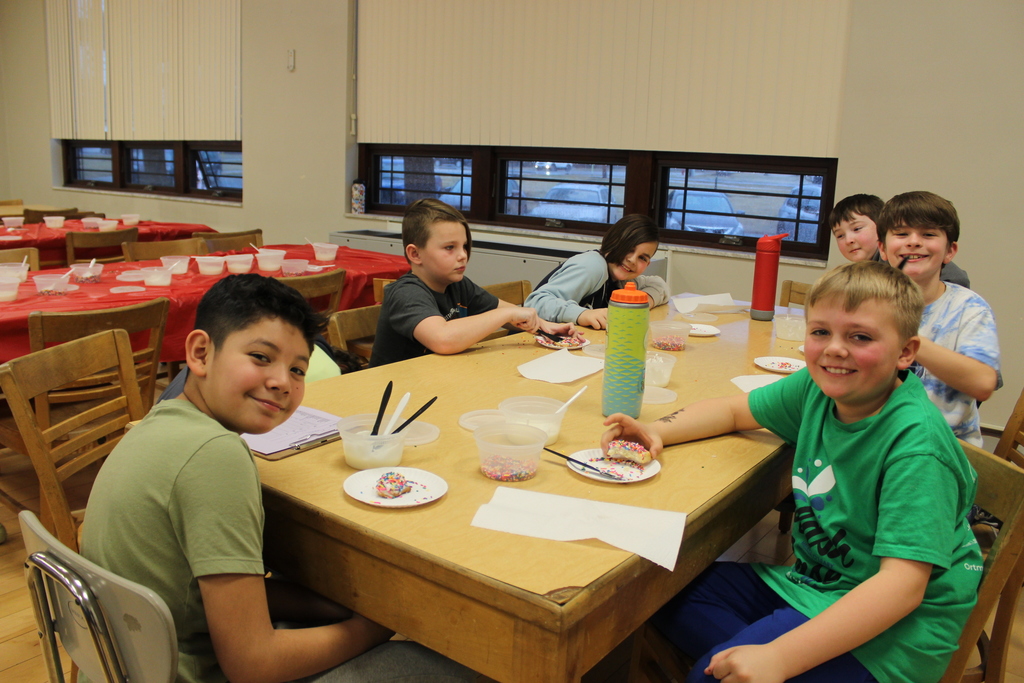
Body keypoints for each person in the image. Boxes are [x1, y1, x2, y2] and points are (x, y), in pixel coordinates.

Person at [602, 261, 982, 683]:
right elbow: (733, 410)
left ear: (906, 352)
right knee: (652, 595)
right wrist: (656, 430)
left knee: (712, 676)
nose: (835, 349)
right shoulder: (817, 388)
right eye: (821, 332)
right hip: (814, 585)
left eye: (860, 336)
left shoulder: (917, 448)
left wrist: (780, 657)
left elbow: (901, 588)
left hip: (898, 627)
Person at [82, 274, 473, 683]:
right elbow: (254, 664)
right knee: (444, 662)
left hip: (123, 663)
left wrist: (339, 608)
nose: (282, 382)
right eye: (261, 357)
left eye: (298, 370)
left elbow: (202, 595)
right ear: (200, 353)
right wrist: (375, 628)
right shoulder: (214, 456)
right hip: (184, 671)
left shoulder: (157, 423)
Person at [370, 198, 575, 367]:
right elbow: (443, 339)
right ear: (415, 254)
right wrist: (508, 314)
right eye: (450, 247)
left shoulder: (458, 285)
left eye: (465, 246)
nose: (463, 256)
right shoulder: (406, 293)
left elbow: (510, 315)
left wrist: (547, 327)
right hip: (394, 394)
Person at [877, 191, 1000, 447]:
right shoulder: (866, 301)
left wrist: (904, 336)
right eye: (901, 234)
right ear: (882, 249)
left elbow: (983, 384)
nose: (913, 242)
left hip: (943, 448)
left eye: (928, 234)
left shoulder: (969, 308)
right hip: (875, 440)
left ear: (949, 251)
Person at [523, 214, 669, 329]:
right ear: (612, 241)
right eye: (628, 249)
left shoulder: (622, 279)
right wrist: (582, 314)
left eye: (642, 258)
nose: (632, 260)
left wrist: (644, 302)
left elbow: (658, 284)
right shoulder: (593, 266)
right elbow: (534, 303)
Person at [829, 192, 971, 287]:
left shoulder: (897, 260)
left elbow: (958, 279)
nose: (849, 240)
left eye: (857, 229)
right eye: (840, 235)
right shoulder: (860, 272)